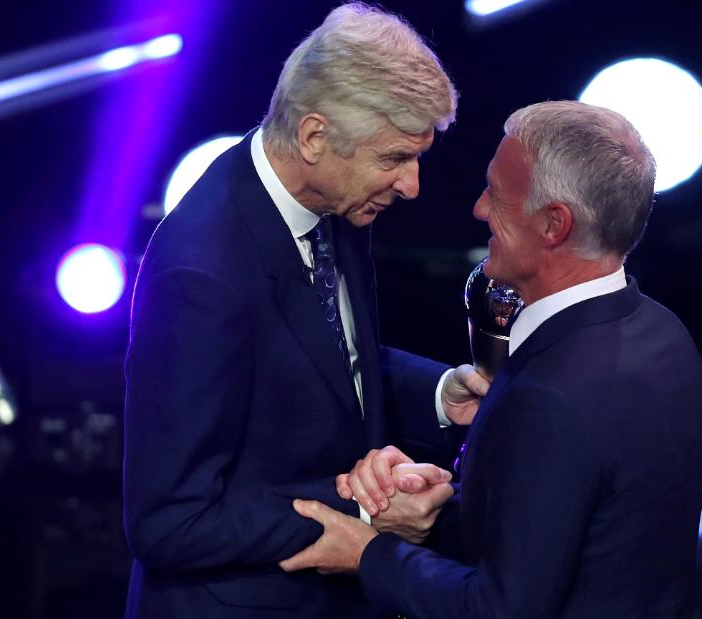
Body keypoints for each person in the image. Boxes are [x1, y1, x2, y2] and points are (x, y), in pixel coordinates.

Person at [279, 101, 702, 618]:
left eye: (498, 195)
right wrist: (446, 506)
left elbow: (499, 610)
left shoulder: (551, 396)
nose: (480, 208)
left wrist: (367, 553)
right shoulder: (665, 333)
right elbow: (584, 525)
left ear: (554, 225)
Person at [122, 4, 488, 617]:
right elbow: (168, 522)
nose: (411, 185)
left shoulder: (330, 201)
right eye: (394, 158)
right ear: (315, 136)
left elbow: (318, 362)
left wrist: (438, 394)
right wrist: (367, 512)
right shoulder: (201, 274)